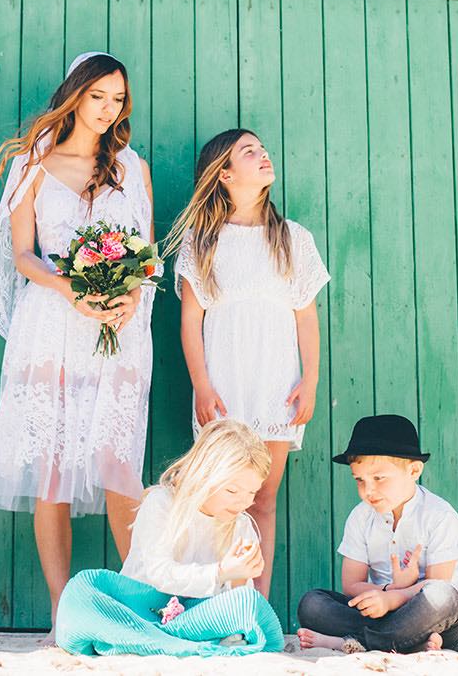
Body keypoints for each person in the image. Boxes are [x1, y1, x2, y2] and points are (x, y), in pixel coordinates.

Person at [0, 51, 156, 638]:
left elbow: (147, 255)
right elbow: (22, 254)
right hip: (52, 325)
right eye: (98, 95)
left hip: (118, 331)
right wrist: (72, 288)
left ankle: (140, 607)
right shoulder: (34, 164)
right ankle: (63, 613)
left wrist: (130, 298)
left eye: (117, 99)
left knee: (119, 467)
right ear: (75, 94)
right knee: (52, 471)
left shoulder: (133, 167)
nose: (107, 110)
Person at [167, 128, 329, 597]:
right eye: (249, 152)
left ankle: (254, 607)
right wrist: (201, 383)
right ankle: (216, 602)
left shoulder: (292, 238)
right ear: (224, 172)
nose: (263, 156)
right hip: (224, 386)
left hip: (276, 384)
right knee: (220, 500)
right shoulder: (202, 241)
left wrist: (311, 380)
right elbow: (190, 321)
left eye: (262, 149)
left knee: (261, 499)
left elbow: (306, 318)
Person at [55, 419, 285, 656]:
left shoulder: (240, 523)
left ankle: (166, 643)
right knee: (82, 589)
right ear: (205, 475)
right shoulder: (161, 504)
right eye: (232, 491)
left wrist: (240, 577)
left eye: (252, 492)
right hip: (142, 611)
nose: (243, 502)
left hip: (195, 618)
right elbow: (159, 574)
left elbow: (234, 601)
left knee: (249, 602)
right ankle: (168, 641)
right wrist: (221, 571)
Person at [296, 414, 458, 653]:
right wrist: (386, 593)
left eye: (379, 478)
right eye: (360, 480)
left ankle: (354, 642)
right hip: (380, 611)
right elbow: (352, 584)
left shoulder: (440, 516)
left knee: (441, 598)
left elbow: (438, 583)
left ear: (414, 470)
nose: (368, 490)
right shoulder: (360, 517)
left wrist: (396, 598)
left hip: (431, 618)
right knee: (312, 604)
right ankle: (408, 644)